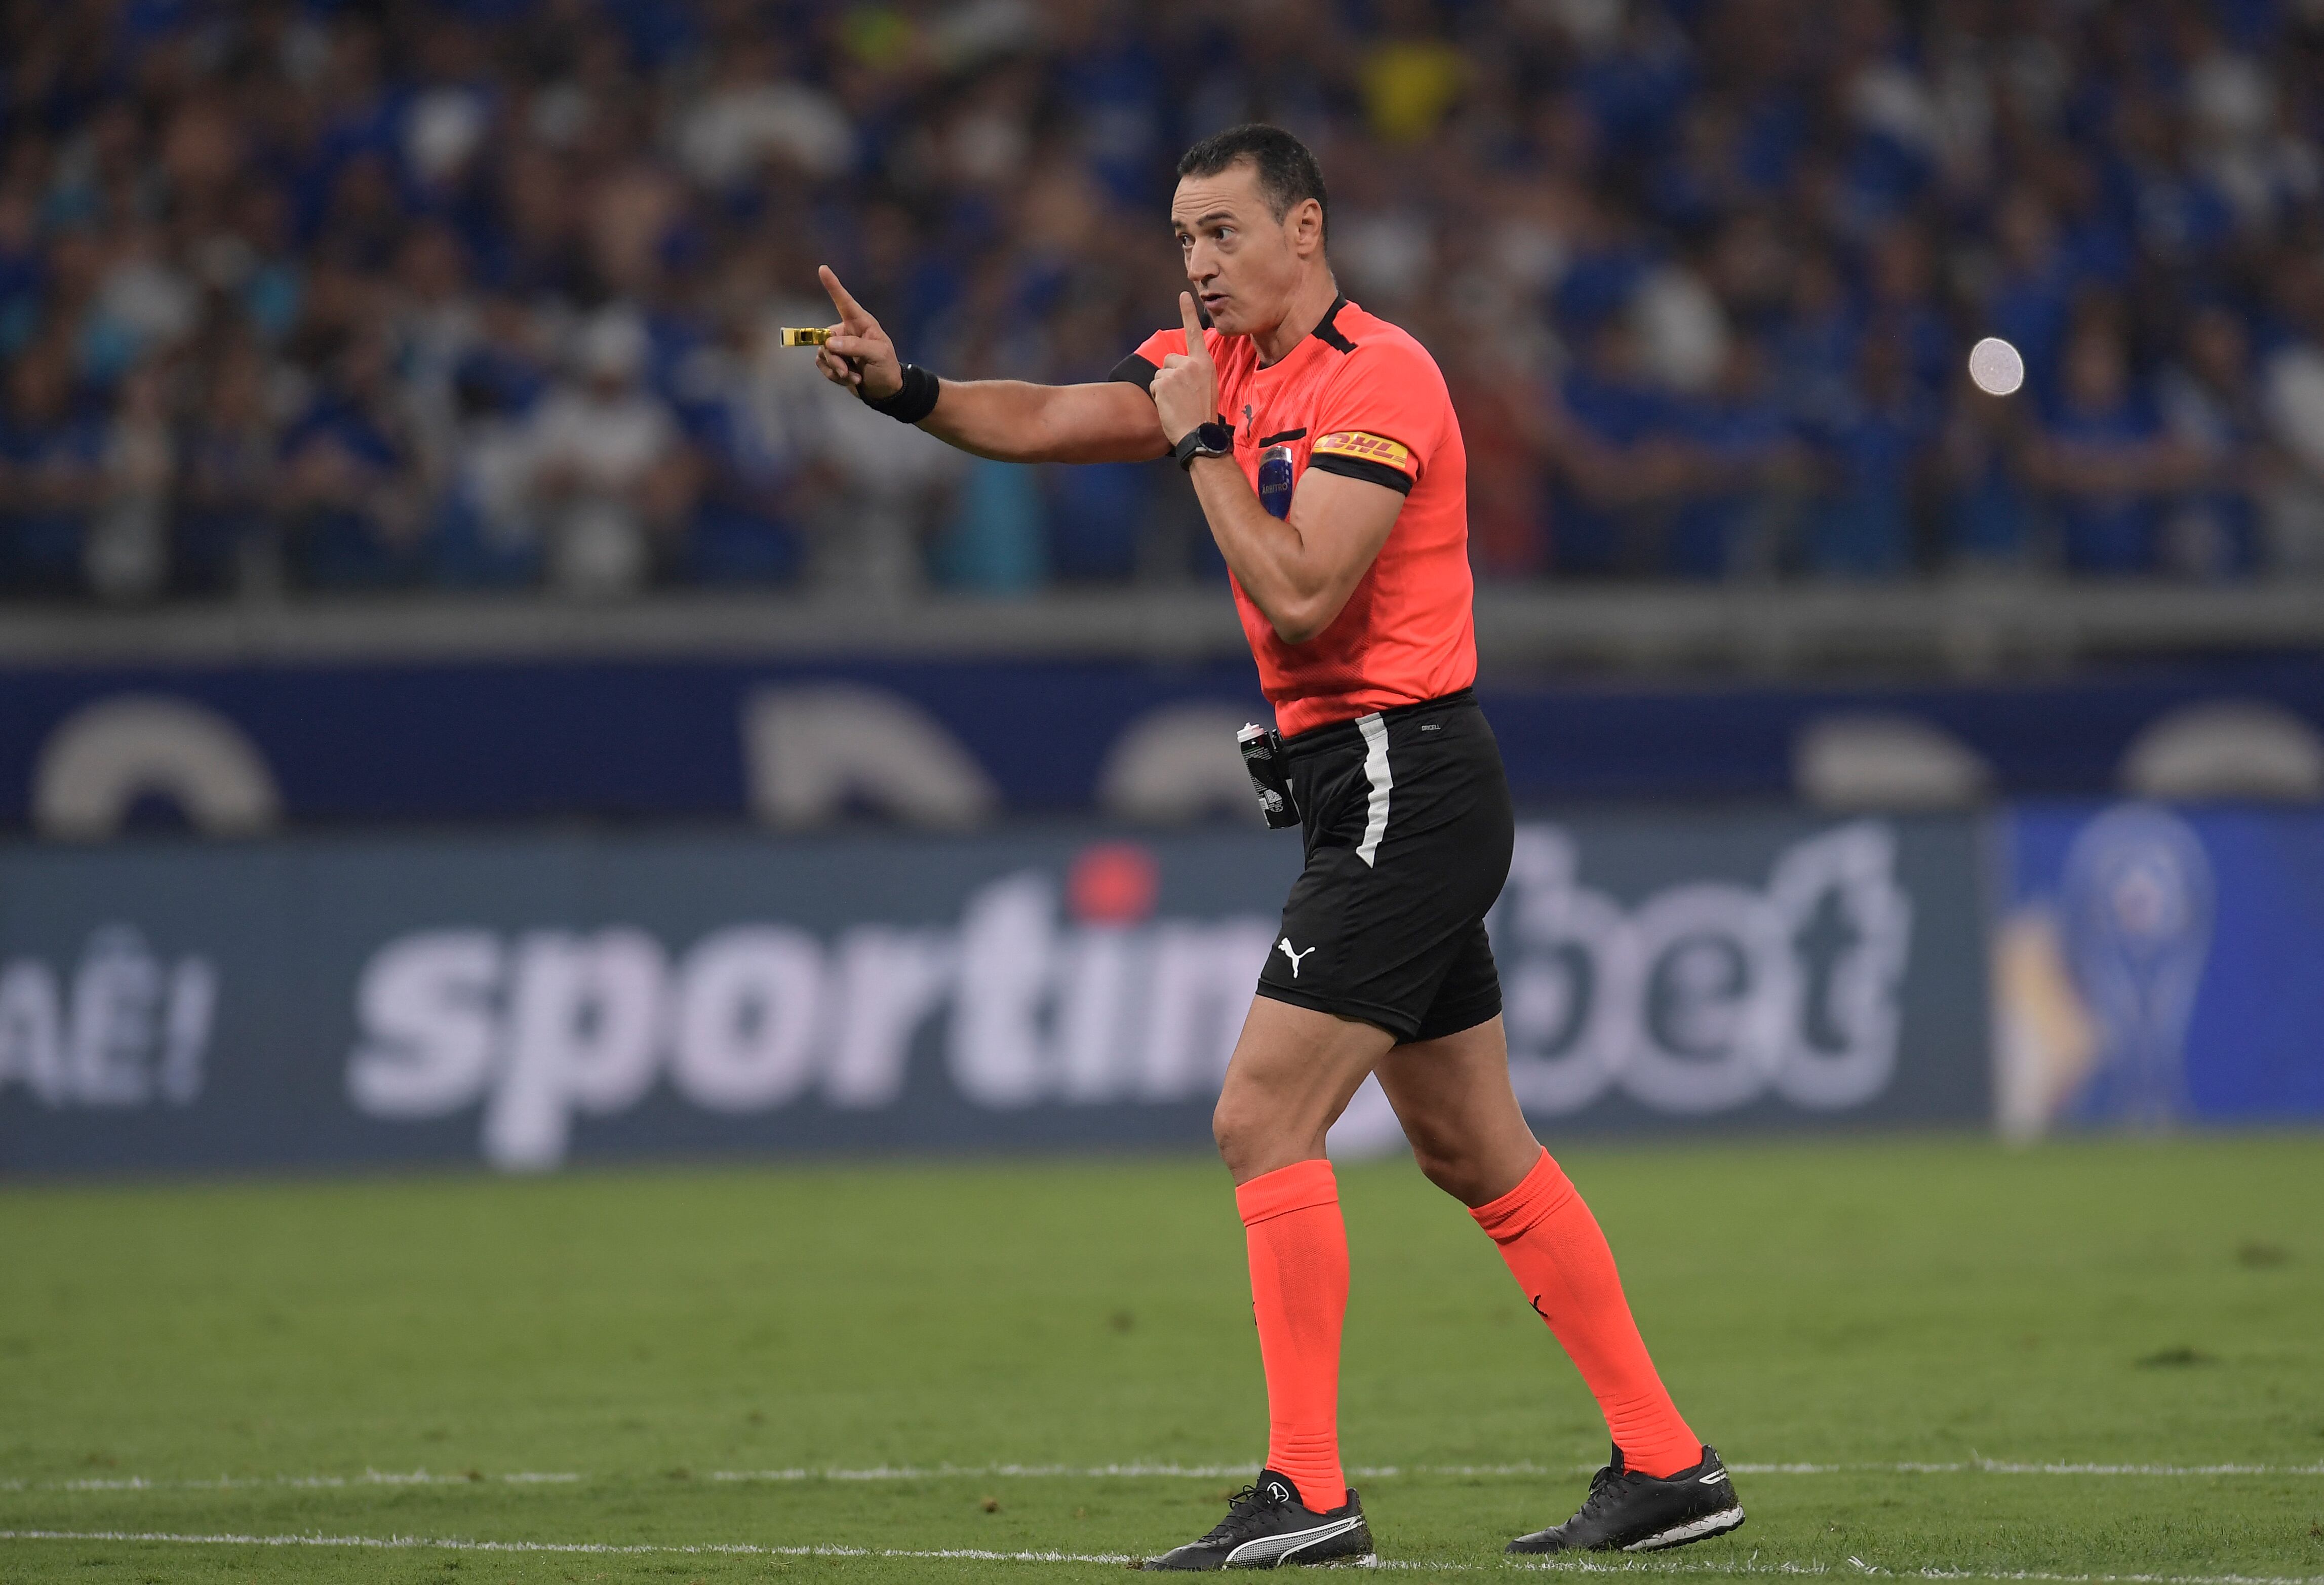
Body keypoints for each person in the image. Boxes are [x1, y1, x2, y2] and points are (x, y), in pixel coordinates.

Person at [810, 124, 1742, 1568]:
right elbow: (1052, 417)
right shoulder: (1218, 365)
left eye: (1224, 233)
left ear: (1305, 229)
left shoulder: (1383, 377)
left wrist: (1193, 438)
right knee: (1469, 1141)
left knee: (1260, 1116)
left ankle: (1309, 1491)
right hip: (1356, 781)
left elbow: (1306, 591)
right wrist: (908, 389)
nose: (1198, 263)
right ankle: (1671, 1462)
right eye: (1183, 238)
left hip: (1402, 774)